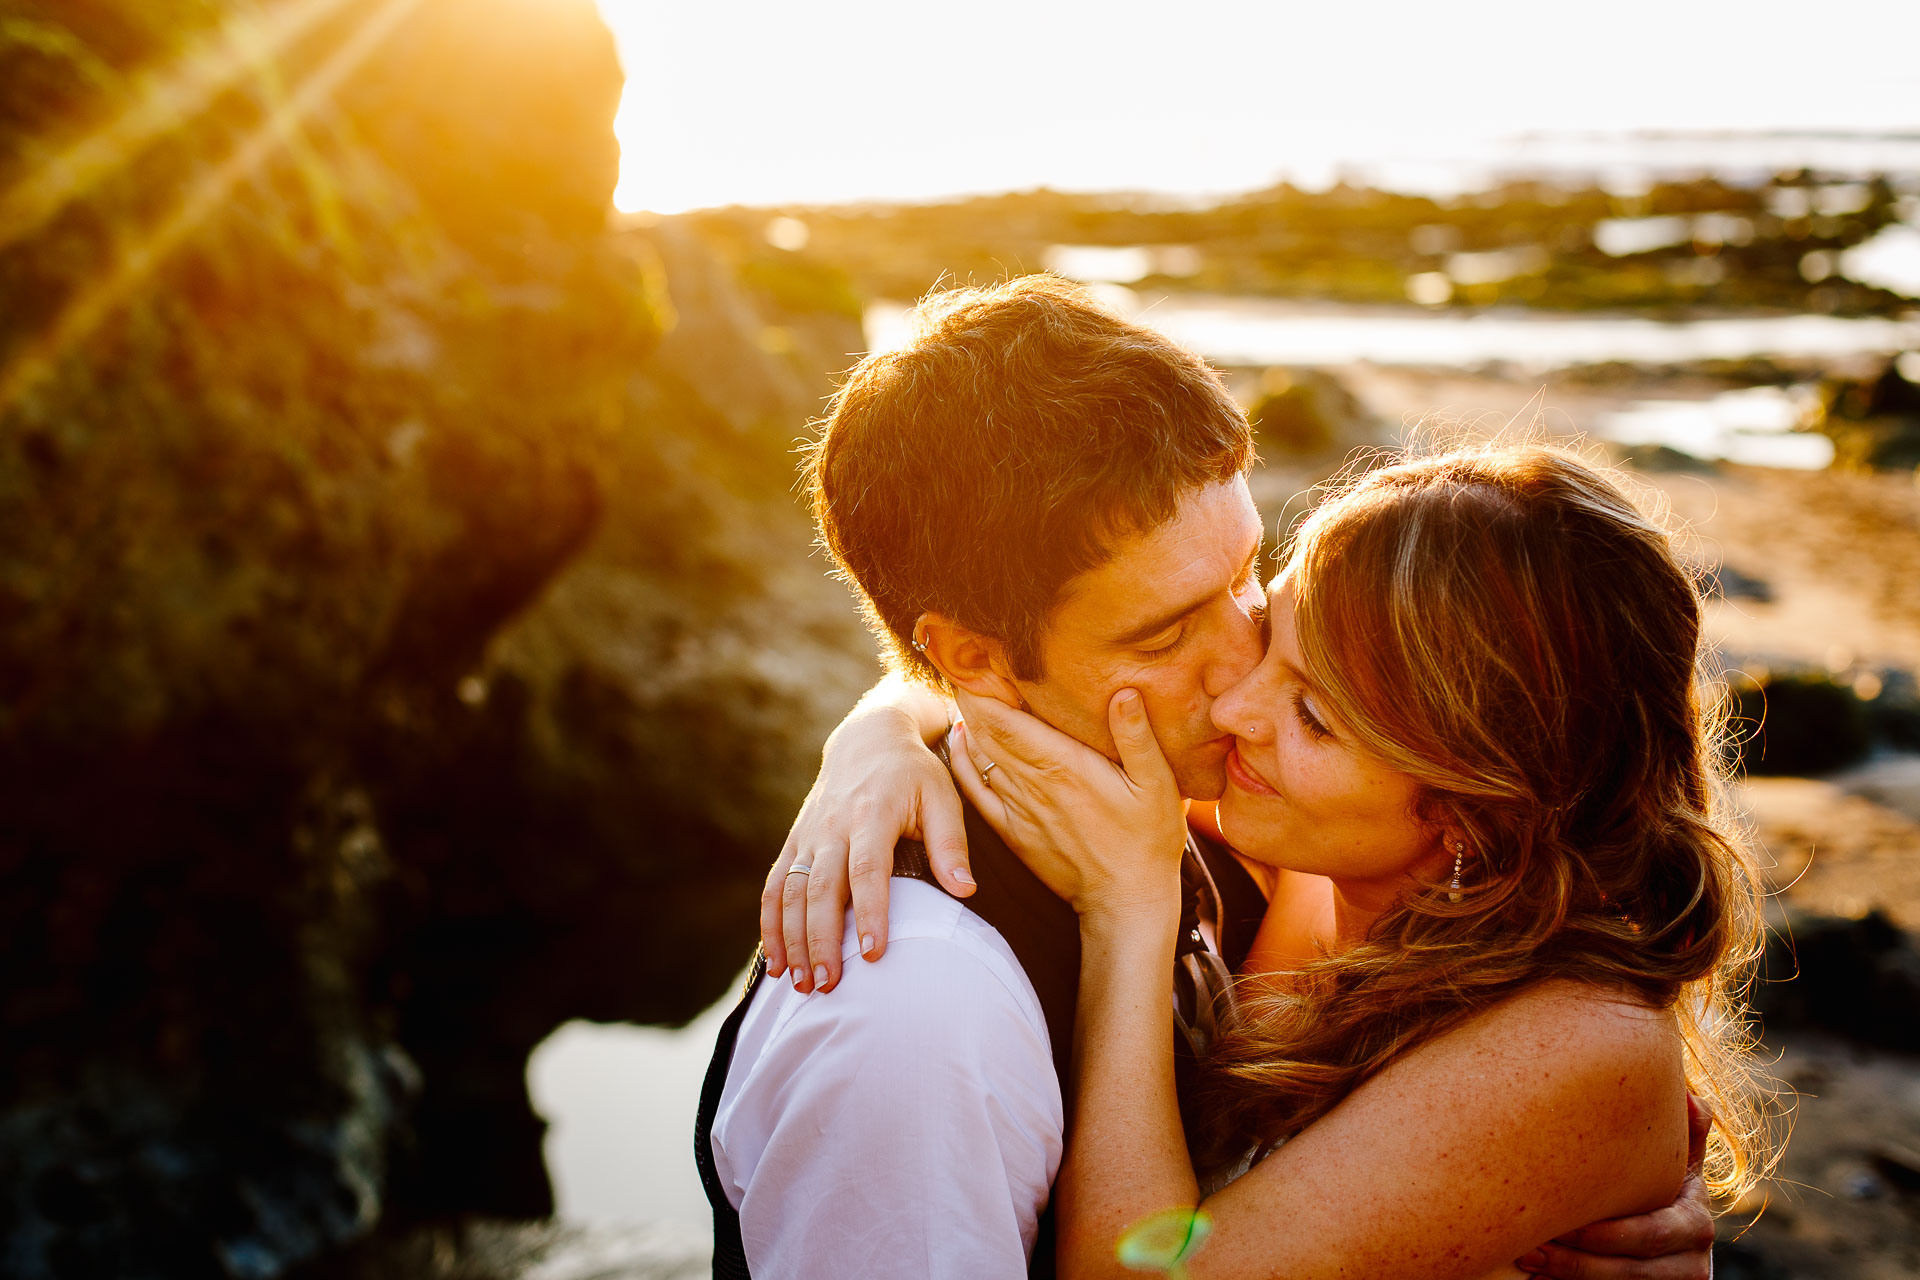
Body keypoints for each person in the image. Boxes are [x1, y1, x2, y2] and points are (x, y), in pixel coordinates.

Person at [699, 276, 1719, 1279]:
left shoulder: (1230, 839)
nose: (1238, 681)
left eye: (1244, 584)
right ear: (974, 659)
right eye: (1165, 630)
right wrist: (878, 727)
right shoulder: (916, 1018)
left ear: (1473, 806)